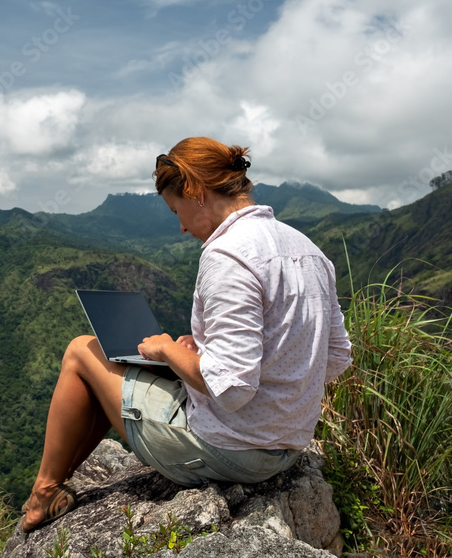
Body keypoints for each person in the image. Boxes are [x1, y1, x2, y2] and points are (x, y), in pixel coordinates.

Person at [20, 136, 352, 533]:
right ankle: (52, 487)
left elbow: (232, 389)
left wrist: (166, 349)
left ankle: (43, 493)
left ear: (195, 192)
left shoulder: (228, 255)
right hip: (287, 448)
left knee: (81, 352)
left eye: (177, 210)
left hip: (232, 452)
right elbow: (333, 358)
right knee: (113, 362)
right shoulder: (308, 249)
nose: (179, 227)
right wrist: (206, 354)